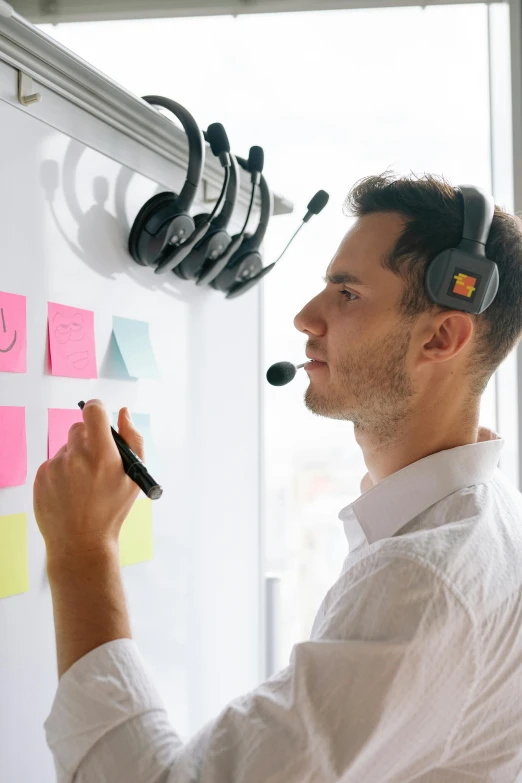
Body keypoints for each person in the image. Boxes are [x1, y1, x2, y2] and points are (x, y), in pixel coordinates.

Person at [36, 172, 522, 782]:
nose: (304, 317)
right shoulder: (488, 517)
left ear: (442, 336)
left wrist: (81, 553)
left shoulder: (423, 582)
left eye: (346, 294)